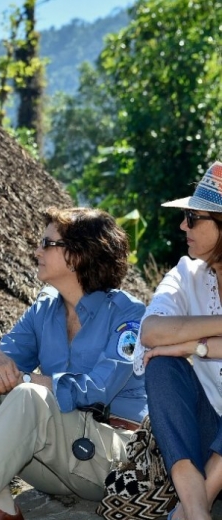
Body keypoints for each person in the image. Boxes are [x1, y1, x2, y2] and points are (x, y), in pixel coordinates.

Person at [0, 207, 146, 520]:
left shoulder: (130, 316)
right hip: (54, 462)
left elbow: (97, 390)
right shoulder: (45, 307)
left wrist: (25, 380)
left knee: (27, 395)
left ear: (79, 256)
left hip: (112, 461)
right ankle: (1, 506)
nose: (37, 251)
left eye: (48, 244)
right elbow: (5, 360)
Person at [138, 162, 222, 520]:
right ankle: (196, 509)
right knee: (161, 364)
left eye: (192, 217)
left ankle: (191, 510)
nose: (182, 225)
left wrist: (193, 345)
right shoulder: (187, 273)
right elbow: (151, 332)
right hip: (208, 435)